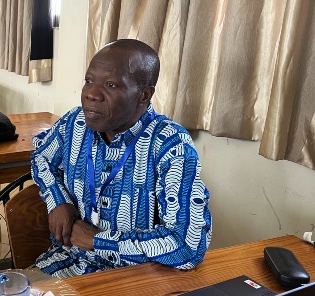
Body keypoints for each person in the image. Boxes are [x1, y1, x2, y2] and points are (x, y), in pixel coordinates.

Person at [31, 39, 212, 278]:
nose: (92, 94)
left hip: (134, 278)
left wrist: (99, 241)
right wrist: (57, 200)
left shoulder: (170, 145)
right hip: (68, 265)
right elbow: (41, 156)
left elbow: (188, 246)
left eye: (111, 85)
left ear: (143, 95)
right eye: (88, 81)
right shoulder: (75, 123)